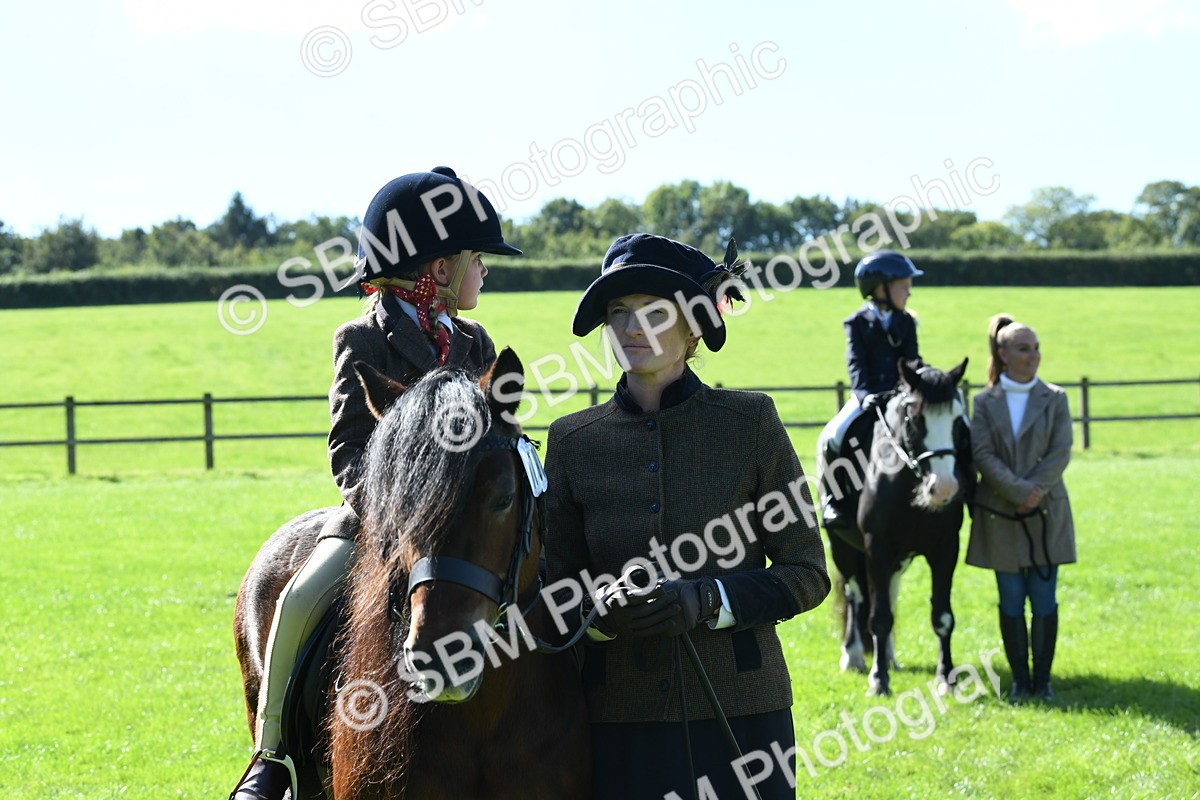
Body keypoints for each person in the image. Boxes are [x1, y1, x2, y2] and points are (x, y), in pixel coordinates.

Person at [230, 166, 520, 800]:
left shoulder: (476, 342)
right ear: (439, 270)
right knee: (301, 592)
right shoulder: (361, 337)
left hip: (460, 526)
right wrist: (401, 516)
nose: (485, 272)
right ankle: (271, 753)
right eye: (477, 259)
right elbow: (348, 448)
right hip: (377, 522)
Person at [544, 233, 830, 800]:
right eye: (618, 314)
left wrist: (710, 601)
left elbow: (807, 572)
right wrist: (601, 613)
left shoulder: (750, 423)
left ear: (694, 326)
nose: (631, 329)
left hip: (744, 714)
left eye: (654, 313)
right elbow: (553, 589)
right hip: (617, 721)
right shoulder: (573, 440)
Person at [967, 313, 1075, 702]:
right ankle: (1019, 681)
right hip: (1001, 517)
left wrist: (1034, 490)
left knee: (1044, 600)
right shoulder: (983, 402)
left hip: (1046, 515)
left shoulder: (1056, 398)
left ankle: (1042, 681)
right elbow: (981, 453)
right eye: (1024, 349)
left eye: (1036, 348)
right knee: (1011, 600)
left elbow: (1060, 451)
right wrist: (1018, 490)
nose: (1034, 356)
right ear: (1003, 354)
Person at [816, 250, 923, 529]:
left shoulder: (906, 321)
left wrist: (917, 384)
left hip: (901, 394)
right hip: (868, 394)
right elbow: (856, 362)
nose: (909, 294)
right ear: (881, 288)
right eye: (904, 287)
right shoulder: (857, 322)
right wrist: (864, 394)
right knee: (834, 436)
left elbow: (912, 359)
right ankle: (833, 501)